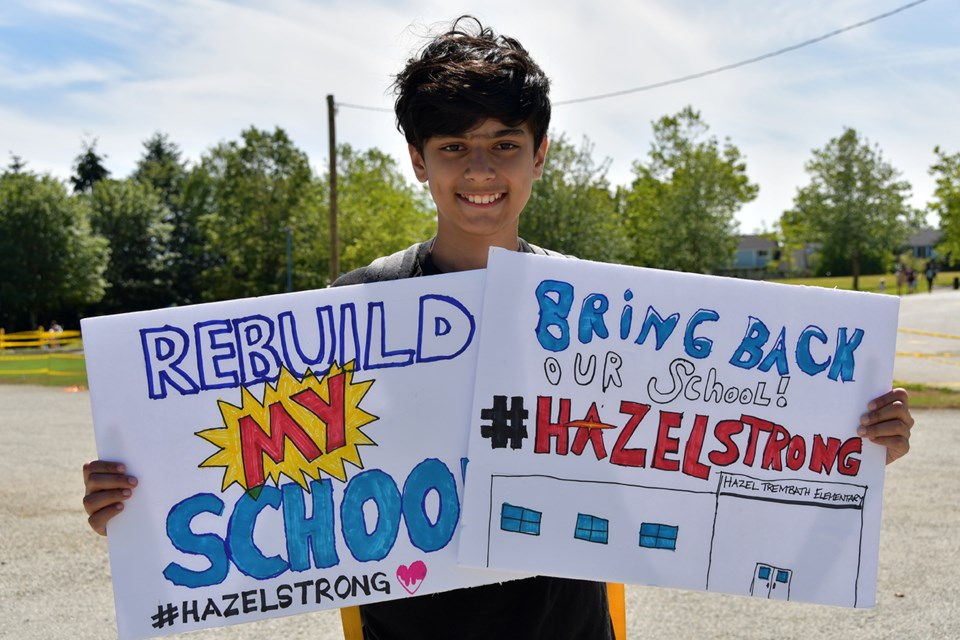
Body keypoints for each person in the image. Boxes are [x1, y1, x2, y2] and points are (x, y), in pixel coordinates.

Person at [83, 15, 917, 639]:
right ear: (417, 159)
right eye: (453, 148)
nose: (480, 172)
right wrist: (143, 497)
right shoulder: (352, 309)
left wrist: (845, 441)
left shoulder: (605, 319)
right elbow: (268, 463)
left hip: (567, 628)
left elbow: (703, 443)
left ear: (540, 153)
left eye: (504, 144)